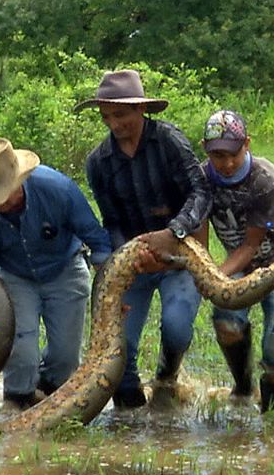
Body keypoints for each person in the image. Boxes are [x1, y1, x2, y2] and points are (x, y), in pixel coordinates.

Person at [75, 70, 212, 409]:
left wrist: (174, 232)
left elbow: (200, 192)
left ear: (140, 110)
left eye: (120, 114)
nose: (113, 123)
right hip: (133, 261)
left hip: (179, 254)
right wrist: (134, 253)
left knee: (177, 328)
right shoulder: (98, 162)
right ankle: (130, 413)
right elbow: (112, 220)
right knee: (119, 351)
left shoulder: (169, 141)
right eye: (106, 116)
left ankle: (167, 378)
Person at [0, 138, 112, 410]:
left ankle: (48, 395)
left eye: (3, 194)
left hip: (65, 268)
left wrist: (112, 287)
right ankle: (17, 403)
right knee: (21, 349)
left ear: (20, 181)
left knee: (66, 357)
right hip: (15, 276)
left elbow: (97, 238)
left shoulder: (58, 188)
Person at [198, 110, 274, 414]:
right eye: (218, 155)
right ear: (206, 150)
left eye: (233, 153)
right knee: (226, 321)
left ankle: (273, 414)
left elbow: (251, 245)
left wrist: (213, 276)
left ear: (247, 144)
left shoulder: (266, 180)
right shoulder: (202, 179)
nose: (227, 163)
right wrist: (202, 269)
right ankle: (243, 389)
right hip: (241, 267)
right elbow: (200, 236)